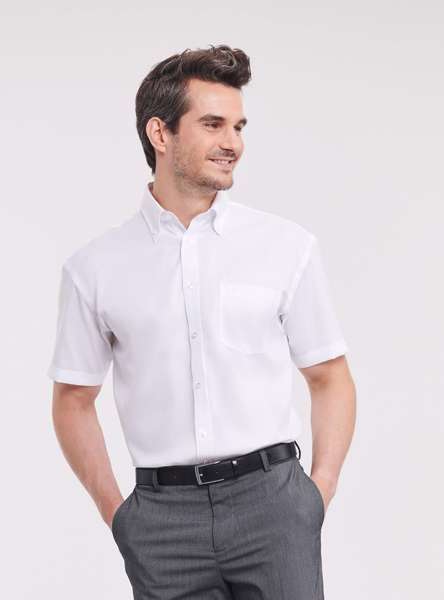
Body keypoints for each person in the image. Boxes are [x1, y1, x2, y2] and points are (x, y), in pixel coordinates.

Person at [47, 44, 356, 599]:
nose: (232, 142)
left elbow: (329, 375)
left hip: (274, 506)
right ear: (160, 134)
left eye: (238, 126)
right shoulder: (94, 267)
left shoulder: (285, 246)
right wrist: (119, 515)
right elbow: (73, 398)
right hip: (162, 523)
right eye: (213, 124)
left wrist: (317, 493)